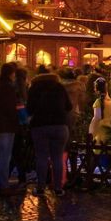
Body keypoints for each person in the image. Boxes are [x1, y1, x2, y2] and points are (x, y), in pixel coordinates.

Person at [27, 65, 74, 195]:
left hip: (40, 126)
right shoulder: (59, 87)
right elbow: (69, 106)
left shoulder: (34, 88)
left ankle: (41, 187)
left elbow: (29, 108)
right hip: (60, 126)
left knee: (41, 157)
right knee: (57, 158)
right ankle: (58, 188)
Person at [0, 62, 23, 195]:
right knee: (4, 157)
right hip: (6, 126)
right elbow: (10, 109)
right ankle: (4, 185)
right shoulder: (8, 88)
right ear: (11, 74)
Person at [89, 75, 111, 145]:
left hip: (99, 133)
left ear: (96, 89)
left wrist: (91, 133)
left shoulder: (98, 102)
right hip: (109, 132)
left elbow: (97, 118)